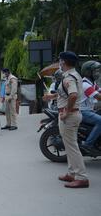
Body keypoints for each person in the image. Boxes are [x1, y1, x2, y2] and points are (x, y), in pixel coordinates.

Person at [43, 51, 89, 189]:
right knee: (69, 146)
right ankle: (72, 173)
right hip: (70, 114)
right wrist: (51, 97)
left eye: (60, 60)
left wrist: (66, 112)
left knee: (72, 147)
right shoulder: (72, 75)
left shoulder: (69, 77)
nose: (59, 63)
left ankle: (81, 177)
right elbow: (66, 93)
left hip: (69, 115)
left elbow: (73, 95)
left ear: (65, 62)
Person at [79, 61, 101, 156]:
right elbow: (99, 97)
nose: (97, 73)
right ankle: (88, 144)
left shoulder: (92, 83)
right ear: (88, 72)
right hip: (83, 112)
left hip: (89, 110)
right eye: (95, 71)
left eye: (98, 71)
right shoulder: (85, 85)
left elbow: (99, 90)